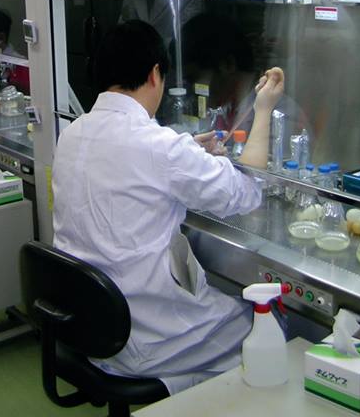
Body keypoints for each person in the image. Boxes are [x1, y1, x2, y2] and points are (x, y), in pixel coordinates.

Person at [52, 20, 284, 394]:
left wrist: (187, 148)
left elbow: (134, 164)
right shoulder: (161, 148)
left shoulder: (72, 133)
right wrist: (264, 109)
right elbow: (247, 191)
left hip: (89, 324)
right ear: (155, 74)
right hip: (148, 338)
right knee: (269, 326)